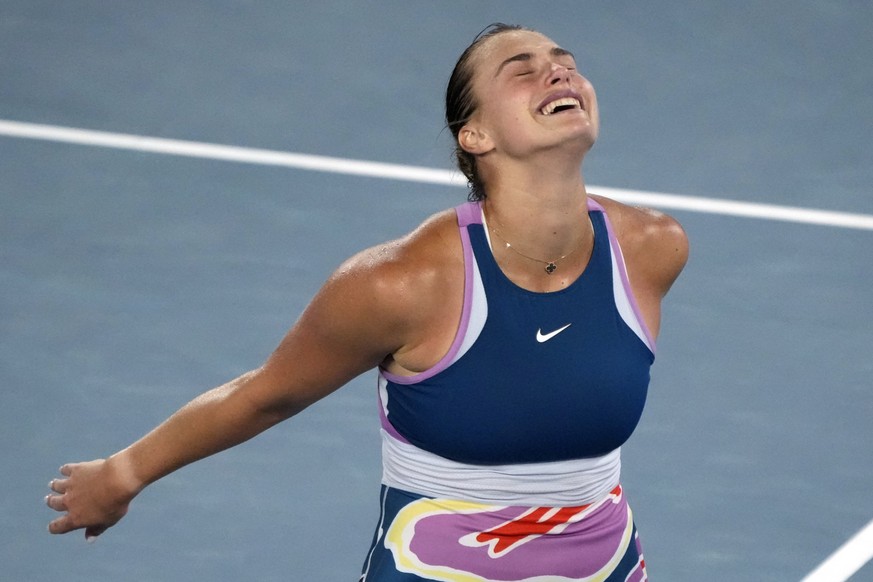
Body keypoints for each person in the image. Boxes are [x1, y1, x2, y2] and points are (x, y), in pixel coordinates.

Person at [46, 23, 688, 581]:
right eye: (523, 70)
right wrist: (124, 472)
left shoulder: (653, 251)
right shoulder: (400, 284)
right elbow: (269, 393)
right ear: (476, 135)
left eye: (565, 62)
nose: (559, 72)